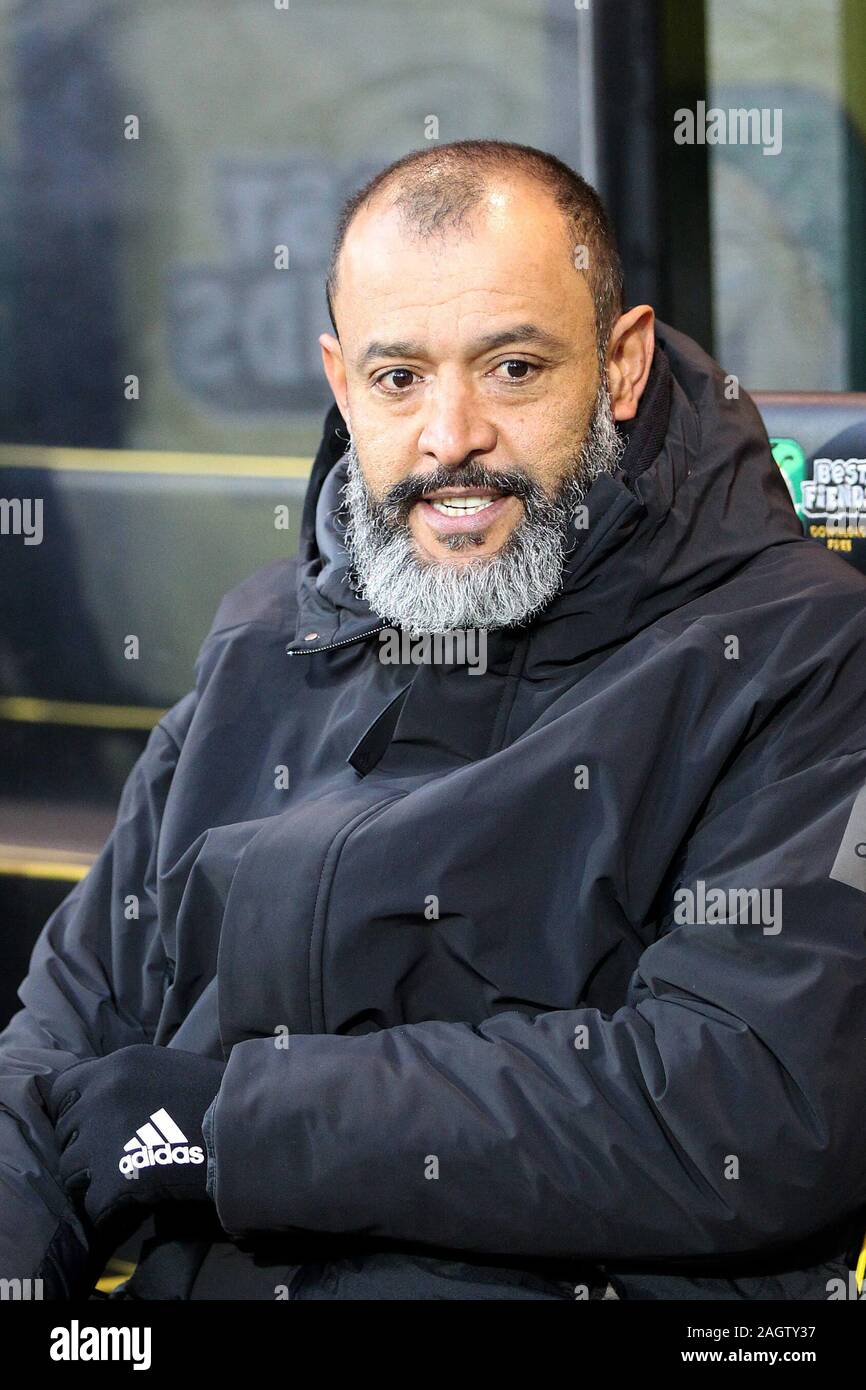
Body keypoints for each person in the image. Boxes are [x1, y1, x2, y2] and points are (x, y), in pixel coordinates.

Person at [3, 139, 866, 1302]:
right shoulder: (266, 640)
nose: (448, 435)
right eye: (398, 377)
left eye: (510, 368)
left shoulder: (800, 648)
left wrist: (232, 1123)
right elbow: (58, 1045)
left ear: (620, 363)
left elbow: (752, 1102)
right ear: (339, 380)